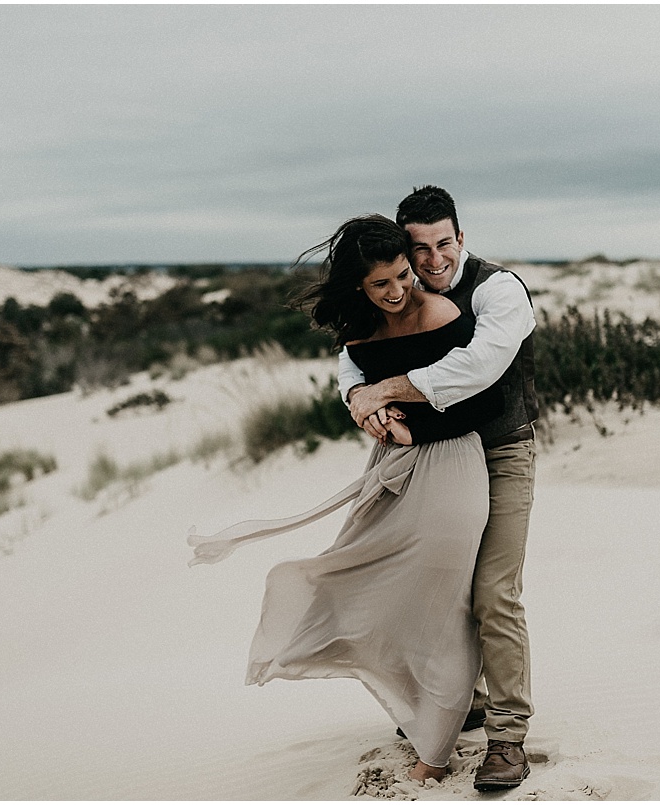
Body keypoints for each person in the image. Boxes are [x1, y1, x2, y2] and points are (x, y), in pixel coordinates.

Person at [189, 214, 503, 783]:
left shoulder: (443, 312)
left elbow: (482, 405)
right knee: (357, 576)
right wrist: (366, 403)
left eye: (403, 275)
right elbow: (354, 378)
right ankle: (420, 711)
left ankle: (434, 753)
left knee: (445, 606)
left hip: (453, 465)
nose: (398, 290)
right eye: (381, 283)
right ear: (358, 285)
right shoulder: (358, 327)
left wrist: (411, 427)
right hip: (389, 468)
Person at [340, 185, 542, 791]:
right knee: (433, 586)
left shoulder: (497, 289)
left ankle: (507, 738)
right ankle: (463, 702)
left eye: (443, 243)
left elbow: (481, 364)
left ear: (461, 238)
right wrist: (357, 395)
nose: (432, 260)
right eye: (418, 248)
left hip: (501, 451)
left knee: (493, 591)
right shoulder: (401, 292)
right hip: (428, 460)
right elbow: (352, 359)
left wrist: (387, 389)